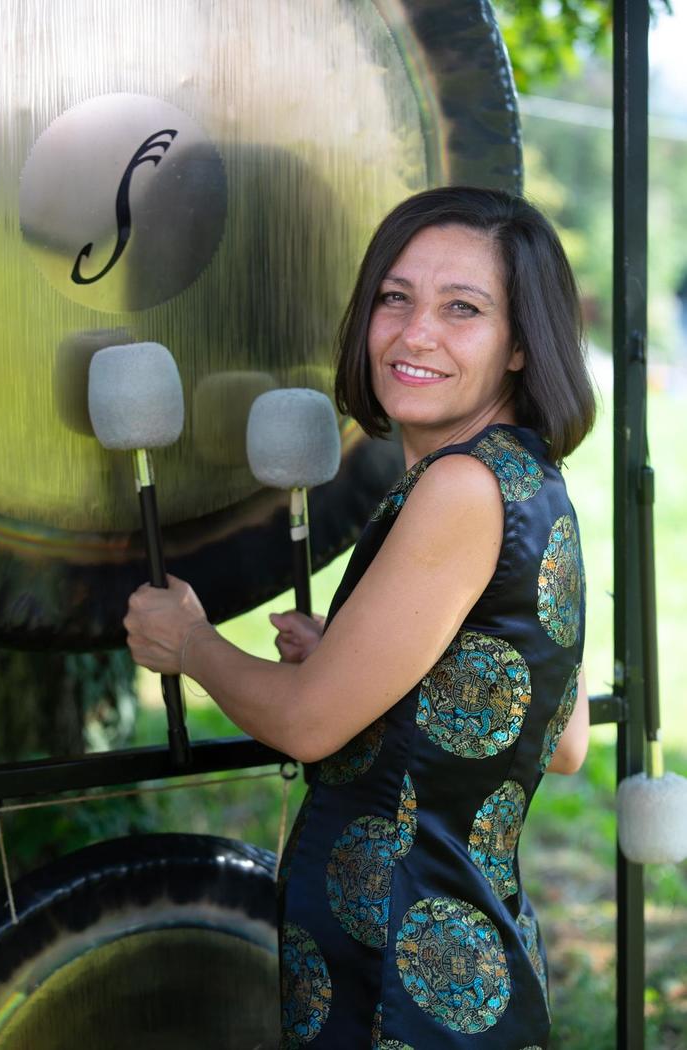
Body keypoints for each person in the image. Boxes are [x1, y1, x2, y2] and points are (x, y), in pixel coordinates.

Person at [124, 186, 595, 1049]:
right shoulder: (533, 482)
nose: (416, 334)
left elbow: (306, 726)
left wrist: (189, 642)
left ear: (523, 343)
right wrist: (360, 661)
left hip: (394, 977)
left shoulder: (458, 488)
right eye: (395, 297)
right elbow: (563, 742)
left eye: (464, 309)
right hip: (474, 962)